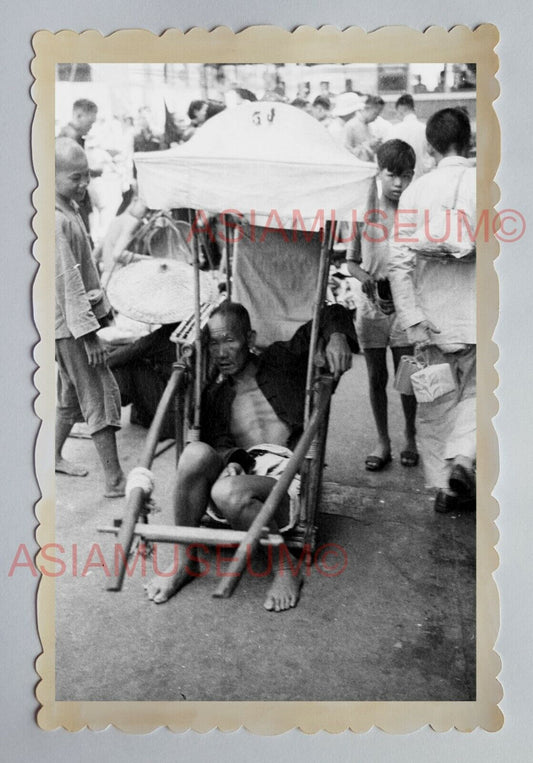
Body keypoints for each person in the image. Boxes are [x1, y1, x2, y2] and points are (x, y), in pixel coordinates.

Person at [144, 301, 357, 611]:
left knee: (227, 492)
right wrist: (232, 459)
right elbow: (216, 444)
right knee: (194, 455)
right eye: (214, 343)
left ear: (251, 338)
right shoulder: (215, 395)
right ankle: (185, 562)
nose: (221, 352)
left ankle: (285, 567)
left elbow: (331, 311)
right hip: (245, 475)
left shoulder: (282, 359)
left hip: (287, 478)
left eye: (230, 340)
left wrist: (337, 335)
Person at [388, 108, 476, 513]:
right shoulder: (488, 186)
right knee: (480, 397)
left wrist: (413, 321)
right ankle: (464, 460)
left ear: (429, 148)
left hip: (432, 326)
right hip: (481, 321)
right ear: (469, 142)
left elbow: (399, 263)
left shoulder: (415, 192)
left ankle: (445, 485)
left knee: (437, 407)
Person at [54, 138, 126, 498]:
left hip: (70, 323)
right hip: (70, 327)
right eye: (74, 178)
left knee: (70, 393)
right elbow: (67, 282)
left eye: (86, 177)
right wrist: (89, 336)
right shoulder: (53, 220)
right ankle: (115, 482)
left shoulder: (66, 208)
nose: (83, 185)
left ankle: (50, 455)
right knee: (97, 393)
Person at [346, 139, 418, 471]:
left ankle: (410, 437)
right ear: (379, 172)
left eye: (405, 176)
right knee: (376, 377)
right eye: (392, 175)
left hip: (405, 306)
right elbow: (352, 262)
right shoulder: (362, 212)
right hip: (371, 307)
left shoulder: (416, 210)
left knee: (407, 376)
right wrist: (365, 279)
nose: (399, 184)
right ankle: (382, 441)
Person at [58, 99, 100, 234]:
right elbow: (71, 169)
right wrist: (93, 172)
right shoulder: (71, 138)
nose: (91, 127)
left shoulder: (69, 134)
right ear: (79, 115)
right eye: (90, 123)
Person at [387, 94, 435, 178]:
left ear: (400, 110)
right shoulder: (426, 129)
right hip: (422, 178)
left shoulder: (393, 130)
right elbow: (432, 157)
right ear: (414, 109)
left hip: (401, 179)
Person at [344, 94, 385, 162]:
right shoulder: (350, 126)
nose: (376, 117)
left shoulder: (370, 127)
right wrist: (369, 144)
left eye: (378, 115)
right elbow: (346, 154)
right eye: (375, 113)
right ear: (367, 108)